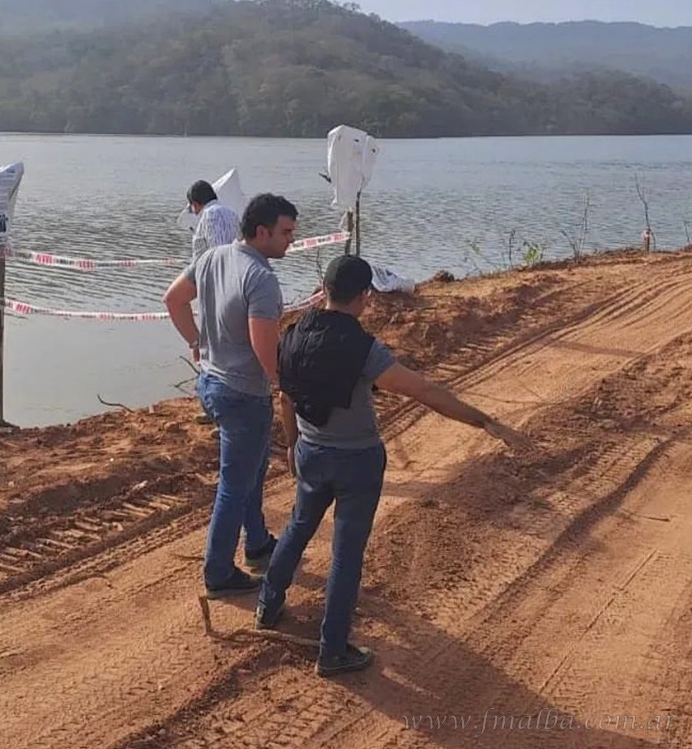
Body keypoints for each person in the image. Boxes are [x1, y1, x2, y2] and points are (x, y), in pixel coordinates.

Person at [256, 255, 532, 677]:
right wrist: (485, 422)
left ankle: (268, 605)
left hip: (310, 452)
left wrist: (293, 444)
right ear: (365, 296)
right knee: (346, 554)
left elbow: (286, 397)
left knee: (297, 527)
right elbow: (424, 391)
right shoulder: (364, 350)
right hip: (357, 462)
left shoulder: (292, 334)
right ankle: (333, 650)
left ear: (323, 290)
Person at [164, 193, 298, 597]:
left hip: (211, 382)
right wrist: (285, 386)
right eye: (286, 232)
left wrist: (196, 341)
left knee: (251, 470)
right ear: (262, 232)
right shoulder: (261, 278)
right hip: (243, 393)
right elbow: (263, 345)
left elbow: (173, 299)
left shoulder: (212, 257)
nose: (291, 240)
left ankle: (257, 543)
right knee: (235, 484)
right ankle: (219, 572)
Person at [186, 180, 241, 261]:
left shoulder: (209, 215)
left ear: (195, 204)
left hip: (214, 267)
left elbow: (217, 251)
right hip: (234, 264)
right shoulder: (233, 214)